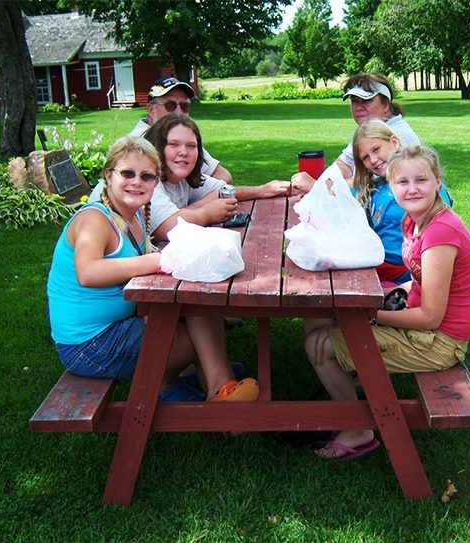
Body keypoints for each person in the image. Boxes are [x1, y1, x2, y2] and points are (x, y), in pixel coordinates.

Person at [46, 136, 259, 403]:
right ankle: (215, 389)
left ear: (156, 184)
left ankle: (209, 381)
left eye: (147, 176)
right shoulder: (94, 219)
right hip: (89, 346)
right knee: (204, 342)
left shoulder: (132, 214)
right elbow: (87, 273)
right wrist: (157, 262)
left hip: (117, 325)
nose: (137, 182)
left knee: (199, 311)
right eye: (127, 173)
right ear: (108, 175)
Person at [305, 145, 470, 460]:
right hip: (424, 325)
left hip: (440, 342)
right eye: (402, 182)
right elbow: (421, 279)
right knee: (325, 319)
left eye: (421, 180)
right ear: (391, 184)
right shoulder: (415, 221)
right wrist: (392, 292)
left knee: (319, 344)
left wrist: (372, 316)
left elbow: (430, 318)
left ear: (438, 182)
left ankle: (358, 429)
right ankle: (356, 392)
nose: (412, 189)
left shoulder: (440, 232)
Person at [142, 113, 290, 240]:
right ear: (157, 148)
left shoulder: (185, 179)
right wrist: (206, 213)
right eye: (174, 144)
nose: (184, 152)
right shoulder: (147, 181)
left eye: (191, 146)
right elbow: (168, 227)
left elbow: (224, 190)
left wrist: (261, 190)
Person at [352, 120, 452, 285]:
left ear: (394, 142)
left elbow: (440, 232)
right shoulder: (374, 187)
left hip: (410, 274)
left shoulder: (422, 188)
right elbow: (341, 194)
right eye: (365, 158)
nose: (374, 159)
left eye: (376, 149)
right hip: (376, 267)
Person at [290, 73, 420, 193]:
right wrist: (323, 183)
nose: (359, 107)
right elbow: (343, 165)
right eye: (354, 101)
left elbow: (371, 184)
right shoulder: (368, 132)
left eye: (366, 100)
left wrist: (316, 187)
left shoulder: (397, 135)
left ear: (385, 104)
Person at [129, 75, 233, 184]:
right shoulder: (139, 142)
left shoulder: (183, 137)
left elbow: (223, 175)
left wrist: (197, 193)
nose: (179, 112)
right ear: (151, 110)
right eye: (170, 105)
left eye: (185, 106)